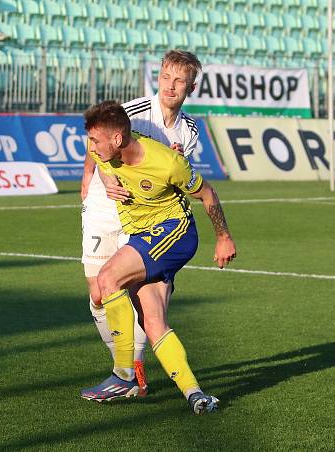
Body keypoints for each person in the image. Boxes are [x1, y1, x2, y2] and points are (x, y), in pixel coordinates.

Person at [79, 101, 237, 414]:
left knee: (108, 278)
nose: (91, 147)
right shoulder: (105, 147)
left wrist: (223, 237)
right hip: (142, 235)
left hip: (174, 231)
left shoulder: (167, 163)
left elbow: (208, 194)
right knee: (153, 322)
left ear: (118, 140)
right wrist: (103, 180)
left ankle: (123, 373)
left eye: (96, 141)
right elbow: (99, 157)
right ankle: (196, 395)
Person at [80, 50, 203, 399]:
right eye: (166, 77)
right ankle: (126, 369)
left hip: (150, 220)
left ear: (189, 88)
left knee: (149, 305)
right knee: (98, 295)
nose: (171, 86)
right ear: (158, 77)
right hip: (106, 209)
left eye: (179, 81)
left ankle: (130, 372)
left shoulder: (189, 130)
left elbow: (179, 178)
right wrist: (96, 178)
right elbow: (97, 141)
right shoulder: (134, 111)